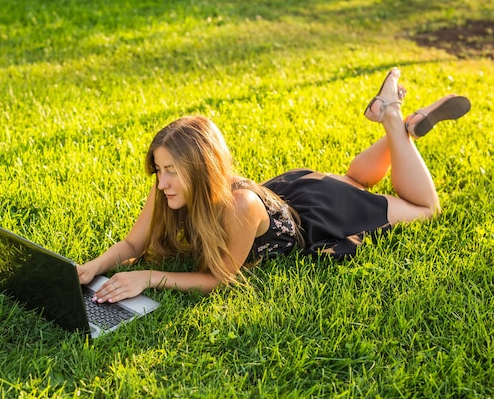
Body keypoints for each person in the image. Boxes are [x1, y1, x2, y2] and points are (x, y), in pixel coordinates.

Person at [77, 67, 471, 303]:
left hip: (319, 209)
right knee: (356, 178)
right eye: (159, 170)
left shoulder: (238, 208)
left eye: (171, 171)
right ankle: (397, 126)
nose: (161, 182)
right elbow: (132, 244)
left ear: (201, 168)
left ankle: (393, 117)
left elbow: (218, 279)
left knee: (422, 208)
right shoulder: (167, 187)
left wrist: (147, 278)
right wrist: (92, 267)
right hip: (291, 190)